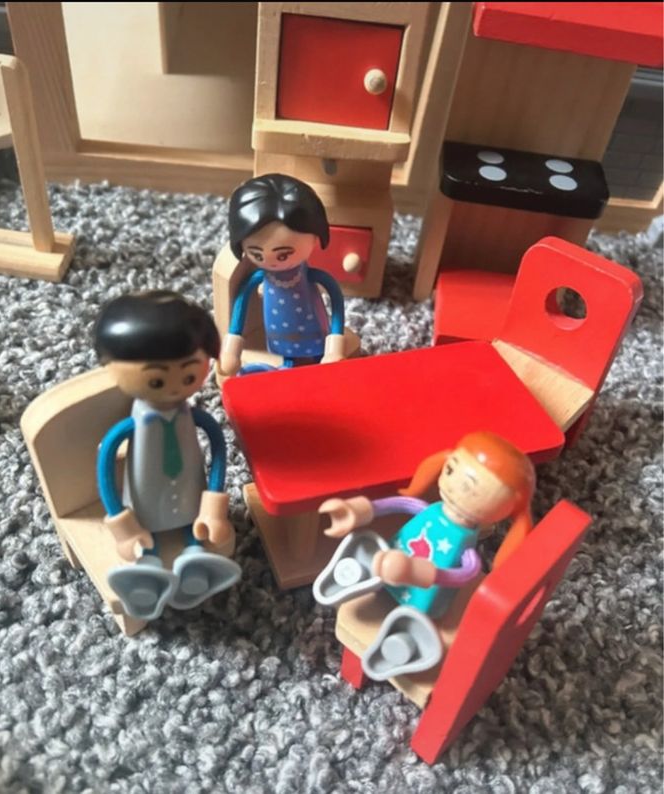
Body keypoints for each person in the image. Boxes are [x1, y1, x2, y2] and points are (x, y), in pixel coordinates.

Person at [316, 431, 536, 679]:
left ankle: (402, 642)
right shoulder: (429, 510)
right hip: (384, 567)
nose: (454, 488)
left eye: (471, 489)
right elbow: (396, 504)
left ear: (505, 508)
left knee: (418, 622)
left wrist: (414, 571)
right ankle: (359, 576)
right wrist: (357, 511)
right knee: (370, 552)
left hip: (421, 599)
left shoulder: (465, 545)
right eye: (450, 470)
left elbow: (466, 573)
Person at [95, 291, 241, 621]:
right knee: (146, 544)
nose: (175, 387)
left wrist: (212, 507)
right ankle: (147, 570)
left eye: (188, 375)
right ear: (110, 367)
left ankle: (195, 558)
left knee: (195, 535)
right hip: (143, 504)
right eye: (157, 378)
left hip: (190, 499)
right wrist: (123, 526)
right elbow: (105, 464)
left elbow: (218, 448)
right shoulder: (132, 425)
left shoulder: (194, 418)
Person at [219, 173, 346, 376]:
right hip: (278, 338)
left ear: (315, 238)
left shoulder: (313, 277)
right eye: (257, 254)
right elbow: (239, 312)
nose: (271, 261)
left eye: (283, 255)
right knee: (283, 366)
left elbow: (337, 302)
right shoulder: (258, 278)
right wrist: (231, 350)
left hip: (316, 335)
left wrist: (334, 348)